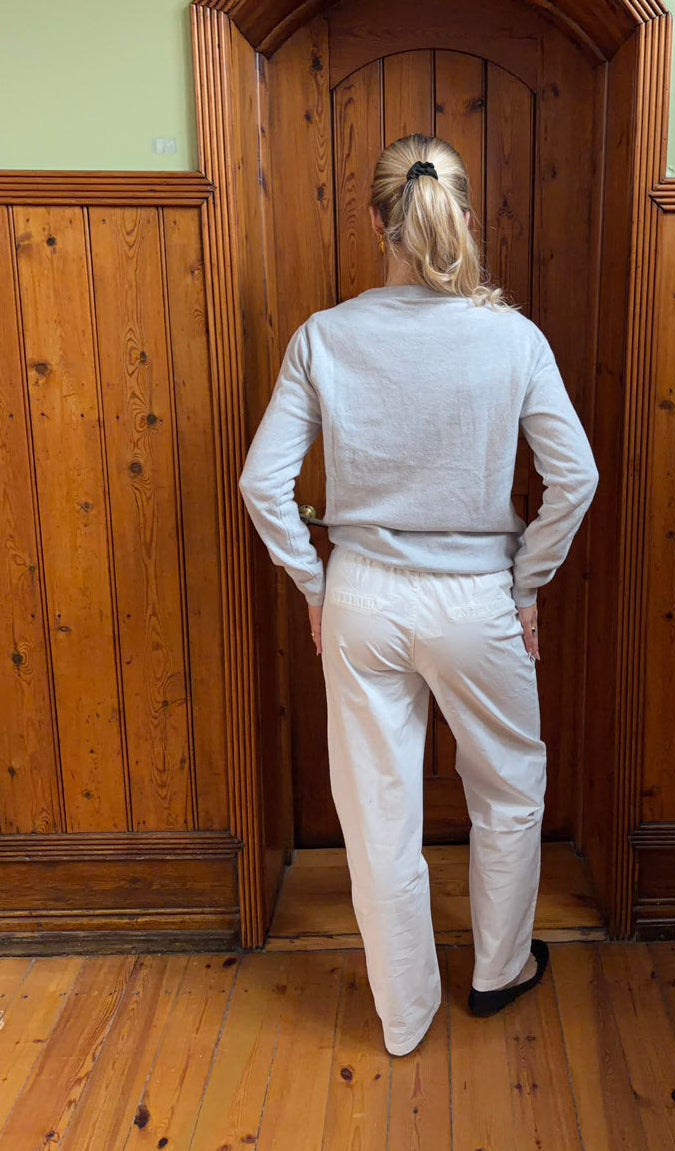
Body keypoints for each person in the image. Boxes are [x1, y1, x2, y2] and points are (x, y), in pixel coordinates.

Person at [238, 133, 599, 1057]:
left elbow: (260, 484)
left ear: (375, 221)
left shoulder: (324, 336)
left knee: (376, 813)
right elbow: (576, 478)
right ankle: (498, 971)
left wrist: (314, 583)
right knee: (509, 790)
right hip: (478, 598)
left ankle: (402, 1016)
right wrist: (527, 582)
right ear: (465, 217)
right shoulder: (512, 338)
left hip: (361, 597)